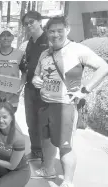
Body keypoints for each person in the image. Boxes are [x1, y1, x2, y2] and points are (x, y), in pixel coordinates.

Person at [31, 16, 108, 187]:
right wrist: (36, 80)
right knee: (46, 140)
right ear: (47, 32)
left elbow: (104, 67)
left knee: (65, 145)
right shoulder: (45, 53)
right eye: (51, 31)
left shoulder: (78, 50)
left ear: (67, 30)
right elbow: (37, 75)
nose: (55, 34)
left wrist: (85, 90)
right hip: (45, 103)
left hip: (64, 106)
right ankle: (48, 168)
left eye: (59, 30)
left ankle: (67, 182)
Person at [20, 11, 50, 161]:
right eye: (26, 23)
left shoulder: (50, 39)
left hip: (46, 89)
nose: (29, 25)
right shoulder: (30, 42)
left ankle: (47, 157)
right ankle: (36, 151)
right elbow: (27, 67)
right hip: (30, 88)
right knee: (31, 121)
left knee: (44, 123)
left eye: (31, 22)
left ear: (40, 21)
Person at [0, 29, 26, 115]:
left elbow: (25, 72)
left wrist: (21, 85)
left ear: (12, 38)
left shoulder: (20, 54)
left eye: (8, 35)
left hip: (12, 96)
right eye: (3, 36)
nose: (5, 38)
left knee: (9, 121)